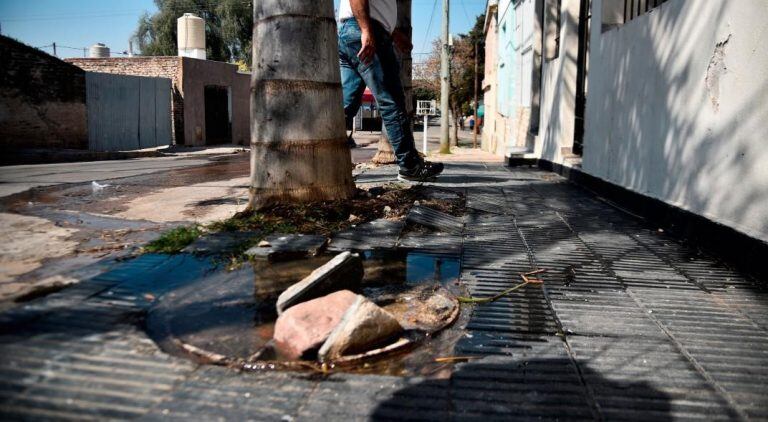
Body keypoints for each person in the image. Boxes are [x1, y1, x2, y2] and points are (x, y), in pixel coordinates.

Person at [338, 0, 444, 181]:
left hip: (351, 31)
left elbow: (378, 8)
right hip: (367, 30)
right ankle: (410, 166)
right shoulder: (367, 28)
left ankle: (313, 159)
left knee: (345, 106)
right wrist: (366, 30)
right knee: (391, 101)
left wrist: (393, 33)